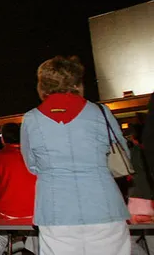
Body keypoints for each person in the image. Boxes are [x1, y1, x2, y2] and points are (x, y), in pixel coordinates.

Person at [21, 56, 130, 254]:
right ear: (77, 83)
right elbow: (124, 153)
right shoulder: (101, 112)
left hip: (55, 209)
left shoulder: (31, 118)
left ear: (42, 85)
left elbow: (32, 165)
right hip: (104, 205)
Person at [0, 123, 36, 255]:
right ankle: (20, 245)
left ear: (2, 139)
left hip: (7, 213)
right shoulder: (34, 155)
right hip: (34, 212)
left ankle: (1, 249)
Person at [126, 123, 154, 255]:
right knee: (150, 234)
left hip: (139, 196)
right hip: (148, 195)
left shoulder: (135, 151)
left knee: (131, 237)